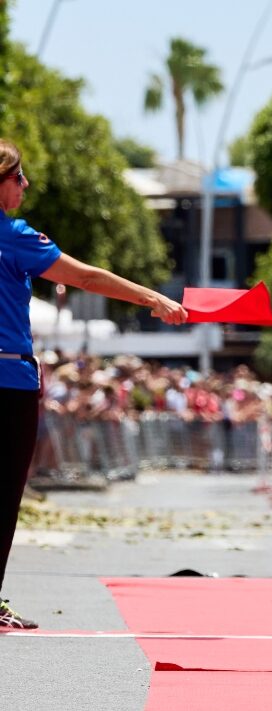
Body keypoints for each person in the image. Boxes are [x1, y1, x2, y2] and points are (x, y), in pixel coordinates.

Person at [0, 139, 187, 629]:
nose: (25, 184)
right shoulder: (14, 236)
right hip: (9, 380)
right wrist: (153, 298)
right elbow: (86, 278)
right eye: (18, 177)